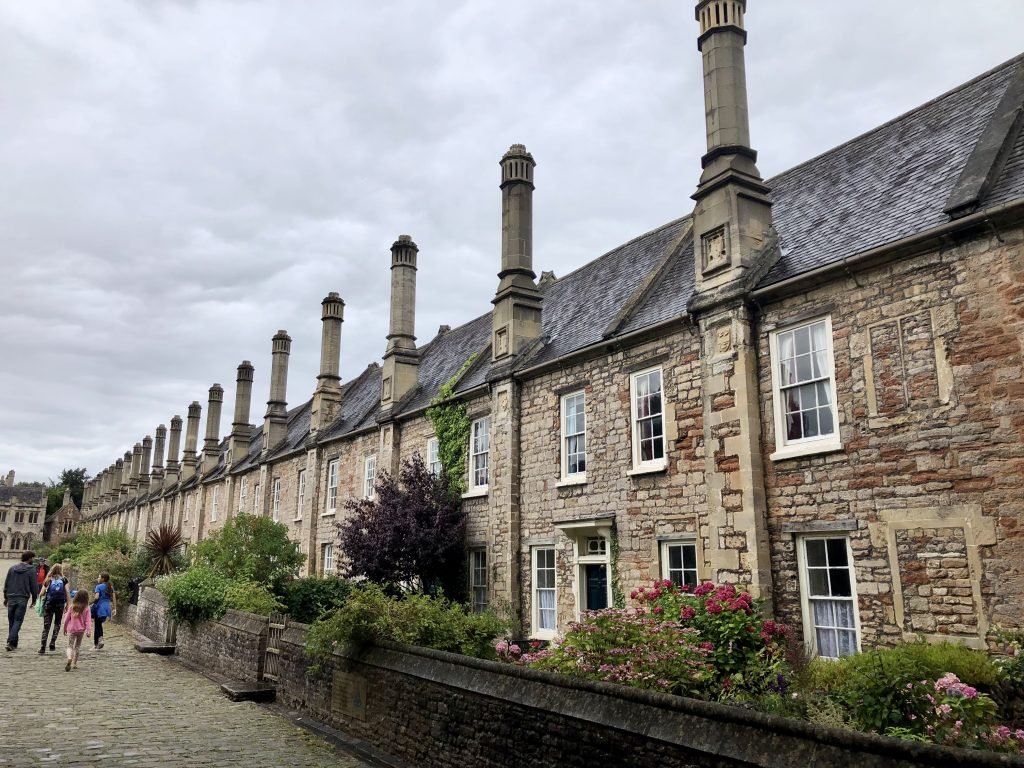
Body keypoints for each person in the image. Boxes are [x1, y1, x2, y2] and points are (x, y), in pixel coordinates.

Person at [4, 551, 40, 651]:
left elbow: (7, 583)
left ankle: (13, 643)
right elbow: (34, 586)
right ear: (29, 558)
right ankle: (11, 641)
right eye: (32, 558)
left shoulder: (12, 568)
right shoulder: (31, 569)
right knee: (18, 620)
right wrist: (34, 599)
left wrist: (5, 597)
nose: (33, 560)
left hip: (11, 597)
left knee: (12, 621)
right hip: (22, 598)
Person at [38, 563, 71, 654]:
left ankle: (42, 646)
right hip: (60, 604)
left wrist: (41, 601)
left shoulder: (48, 579)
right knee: (57, 623)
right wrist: (68, 604)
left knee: (46, 625)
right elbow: (67, 592)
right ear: (61, 570)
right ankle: (52, 642)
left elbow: (41, 593)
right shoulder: (64, 580)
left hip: (49, 604)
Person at [62, 589, 91, 671]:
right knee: (77, 646)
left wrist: (65, 628)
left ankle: (69, 658)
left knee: (69, 646)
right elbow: (88, 620)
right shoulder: (87, 608)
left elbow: (67, 619)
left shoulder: (72, 606)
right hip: (81, 630)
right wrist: (88, 631)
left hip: (72, 630)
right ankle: (74, 663)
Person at [92, 573, 115, 650]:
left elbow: (96, 597)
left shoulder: (98, 587)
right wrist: (115, 608)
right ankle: (99, 641)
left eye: (99, 577)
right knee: (99, 624)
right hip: (107, 608)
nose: (97, 578)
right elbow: (114, 597)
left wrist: (92, 602)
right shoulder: (110, 587)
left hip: (99, 607)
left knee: (97, 625)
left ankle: (97, 643)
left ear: (103, 579)